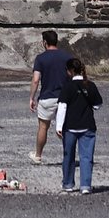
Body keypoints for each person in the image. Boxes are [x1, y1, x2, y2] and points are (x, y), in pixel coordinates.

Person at [58, 56, 102, 193]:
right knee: (87, 157)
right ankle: (85, 186)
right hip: (88, 125)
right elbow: (98, 104)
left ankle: (68, 184)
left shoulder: (68, 86)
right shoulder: (90, 85)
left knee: (68, 156)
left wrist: (59, 126)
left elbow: (62, 107)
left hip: (70, 126)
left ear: (70, 71)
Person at [32, 30, 72, 165]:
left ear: (44, 42)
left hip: (47, 97)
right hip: (65, 97)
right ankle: (68, 155)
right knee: (65, 128)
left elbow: (36, 80)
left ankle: (38, 155)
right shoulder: (67, 57)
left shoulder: (40, 58)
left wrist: (32, 97)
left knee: (43, 127)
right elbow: (72, 76)